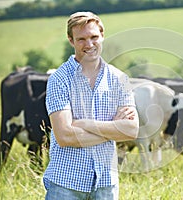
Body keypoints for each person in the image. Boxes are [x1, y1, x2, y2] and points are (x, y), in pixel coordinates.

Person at [43, 11, 139, 200]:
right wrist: (113, 130)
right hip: (66, 184)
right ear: (71, 40)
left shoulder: (120, 79)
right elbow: (64, 136)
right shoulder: (58, 80)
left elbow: (131, 131)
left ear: (102, 35)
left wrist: (84, 124)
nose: (89, 44)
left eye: (94, 37)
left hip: (106, 184)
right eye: (81, 39)